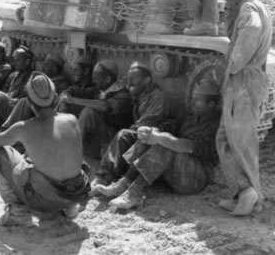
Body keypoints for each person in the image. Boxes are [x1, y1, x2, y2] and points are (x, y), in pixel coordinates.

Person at [0, 71, 90, 227]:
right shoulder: (71, 119)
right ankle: (70, 209)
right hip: (77, 193)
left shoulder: (24, 128)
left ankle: (17, 213)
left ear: (29, 103)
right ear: (55, 99)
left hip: (45, 201)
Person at [92, 78, 221, 210]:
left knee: (163, 145)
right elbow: (170, 126)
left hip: (194, 179)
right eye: (193, 98)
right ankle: (118, 181)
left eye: (198, 100)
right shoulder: (191, 116)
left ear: (211, 104)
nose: (193, 102)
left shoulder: (215, 125)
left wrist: (159, 138)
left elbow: (188, 146)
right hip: (174, 169)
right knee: (127, 135)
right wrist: (153, 131)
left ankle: (134, 193)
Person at [215, 0, 272, 216]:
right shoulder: (255, 5)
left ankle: (248, 192)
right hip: (248, 80)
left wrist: (235, 63)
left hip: (244, 81)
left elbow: (252, 28)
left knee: (239, 141)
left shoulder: (249, 9)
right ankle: (243, 193)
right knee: (229, 139)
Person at [93, 62, 168, 184]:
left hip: (154, 136)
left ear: (147, 80)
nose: (130, 82)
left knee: (123, 135)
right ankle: (108, 173)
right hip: (142, 132)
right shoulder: (138, 93)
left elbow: (148, 123)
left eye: (135, 78)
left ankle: (106, 175)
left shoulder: (157, 96)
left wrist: (130, 129)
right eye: (129, 78)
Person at [64, 60, 132, 158]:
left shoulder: (124, 95)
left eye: (96, 78)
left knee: (89, 112)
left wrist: (74, 100)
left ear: (108, 79)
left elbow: (105, 106)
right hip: (97, 142)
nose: (93, 81)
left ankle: (71, 151)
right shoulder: (99, 90)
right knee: (67, 105)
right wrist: (67, 94)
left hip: (113, 146)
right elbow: (79, 92)